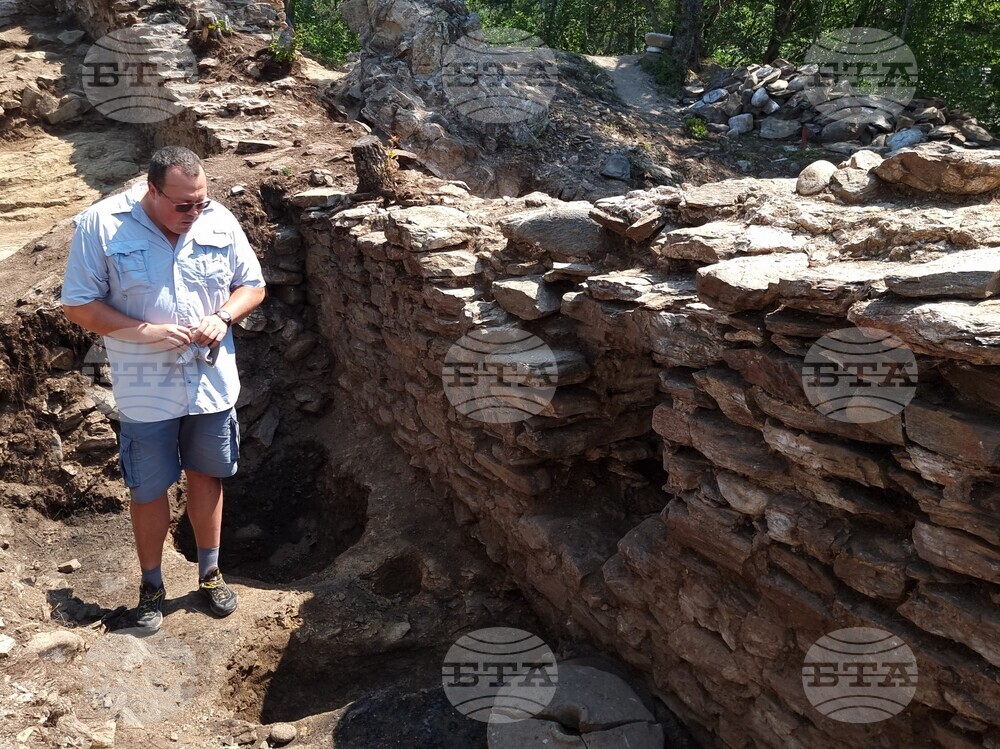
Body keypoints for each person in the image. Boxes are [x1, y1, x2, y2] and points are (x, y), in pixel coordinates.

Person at [60, 146, 266, 632]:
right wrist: (145, 332)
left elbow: (252, 286)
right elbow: (78, 304)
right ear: (152, 190)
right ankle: (151, 585)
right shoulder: (101, 225)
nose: (194, 213)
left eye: (200, 202)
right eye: (182, 205)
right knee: (149, 488)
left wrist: (223, 317)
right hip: (145, 388)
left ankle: (210, 574)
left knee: (207, 475)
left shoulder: (218, 220)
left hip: (210, 383)